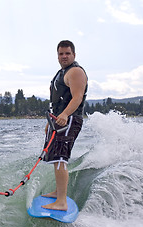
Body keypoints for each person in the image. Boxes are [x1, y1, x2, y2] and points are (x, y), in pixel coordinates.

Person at [42, 40, 88, 211]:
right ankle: (58, 192)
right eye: (61, 54)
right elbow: (57, 101)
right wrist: (51, 122)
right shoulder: (61, 73)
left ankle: (61, 201)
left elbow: (77, 97)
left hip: (69, 120)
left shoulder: (75, 71)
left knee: (61, 158)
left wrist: (64, 115)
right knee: (55, 158)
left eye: (67, 53)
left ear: (74, 55)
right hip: (59, 120)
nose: (64, 56)